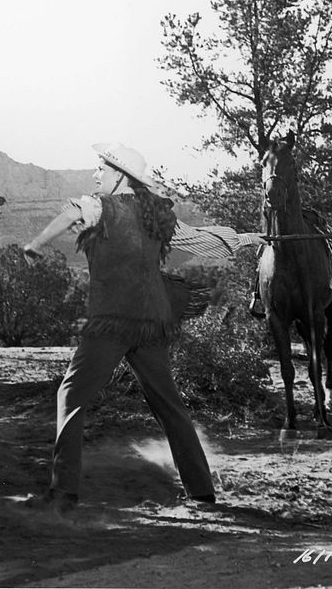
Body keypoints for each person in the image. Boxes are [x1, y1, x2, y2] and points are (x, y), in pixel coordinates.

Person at [22, 142, 266, 513]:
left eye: (101, 169)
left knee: (70, 398)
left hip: (112, 323)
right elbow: (201, 238)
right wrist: (245, 239)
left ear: (120, 177)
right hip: (151, 323)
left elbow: (74, 210)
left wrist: (37, 243)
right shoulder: (158, 217)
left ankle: (62, 495)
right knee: (169, 405)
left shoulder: (99, 207)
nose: (95, 174)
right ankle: (201, 493)